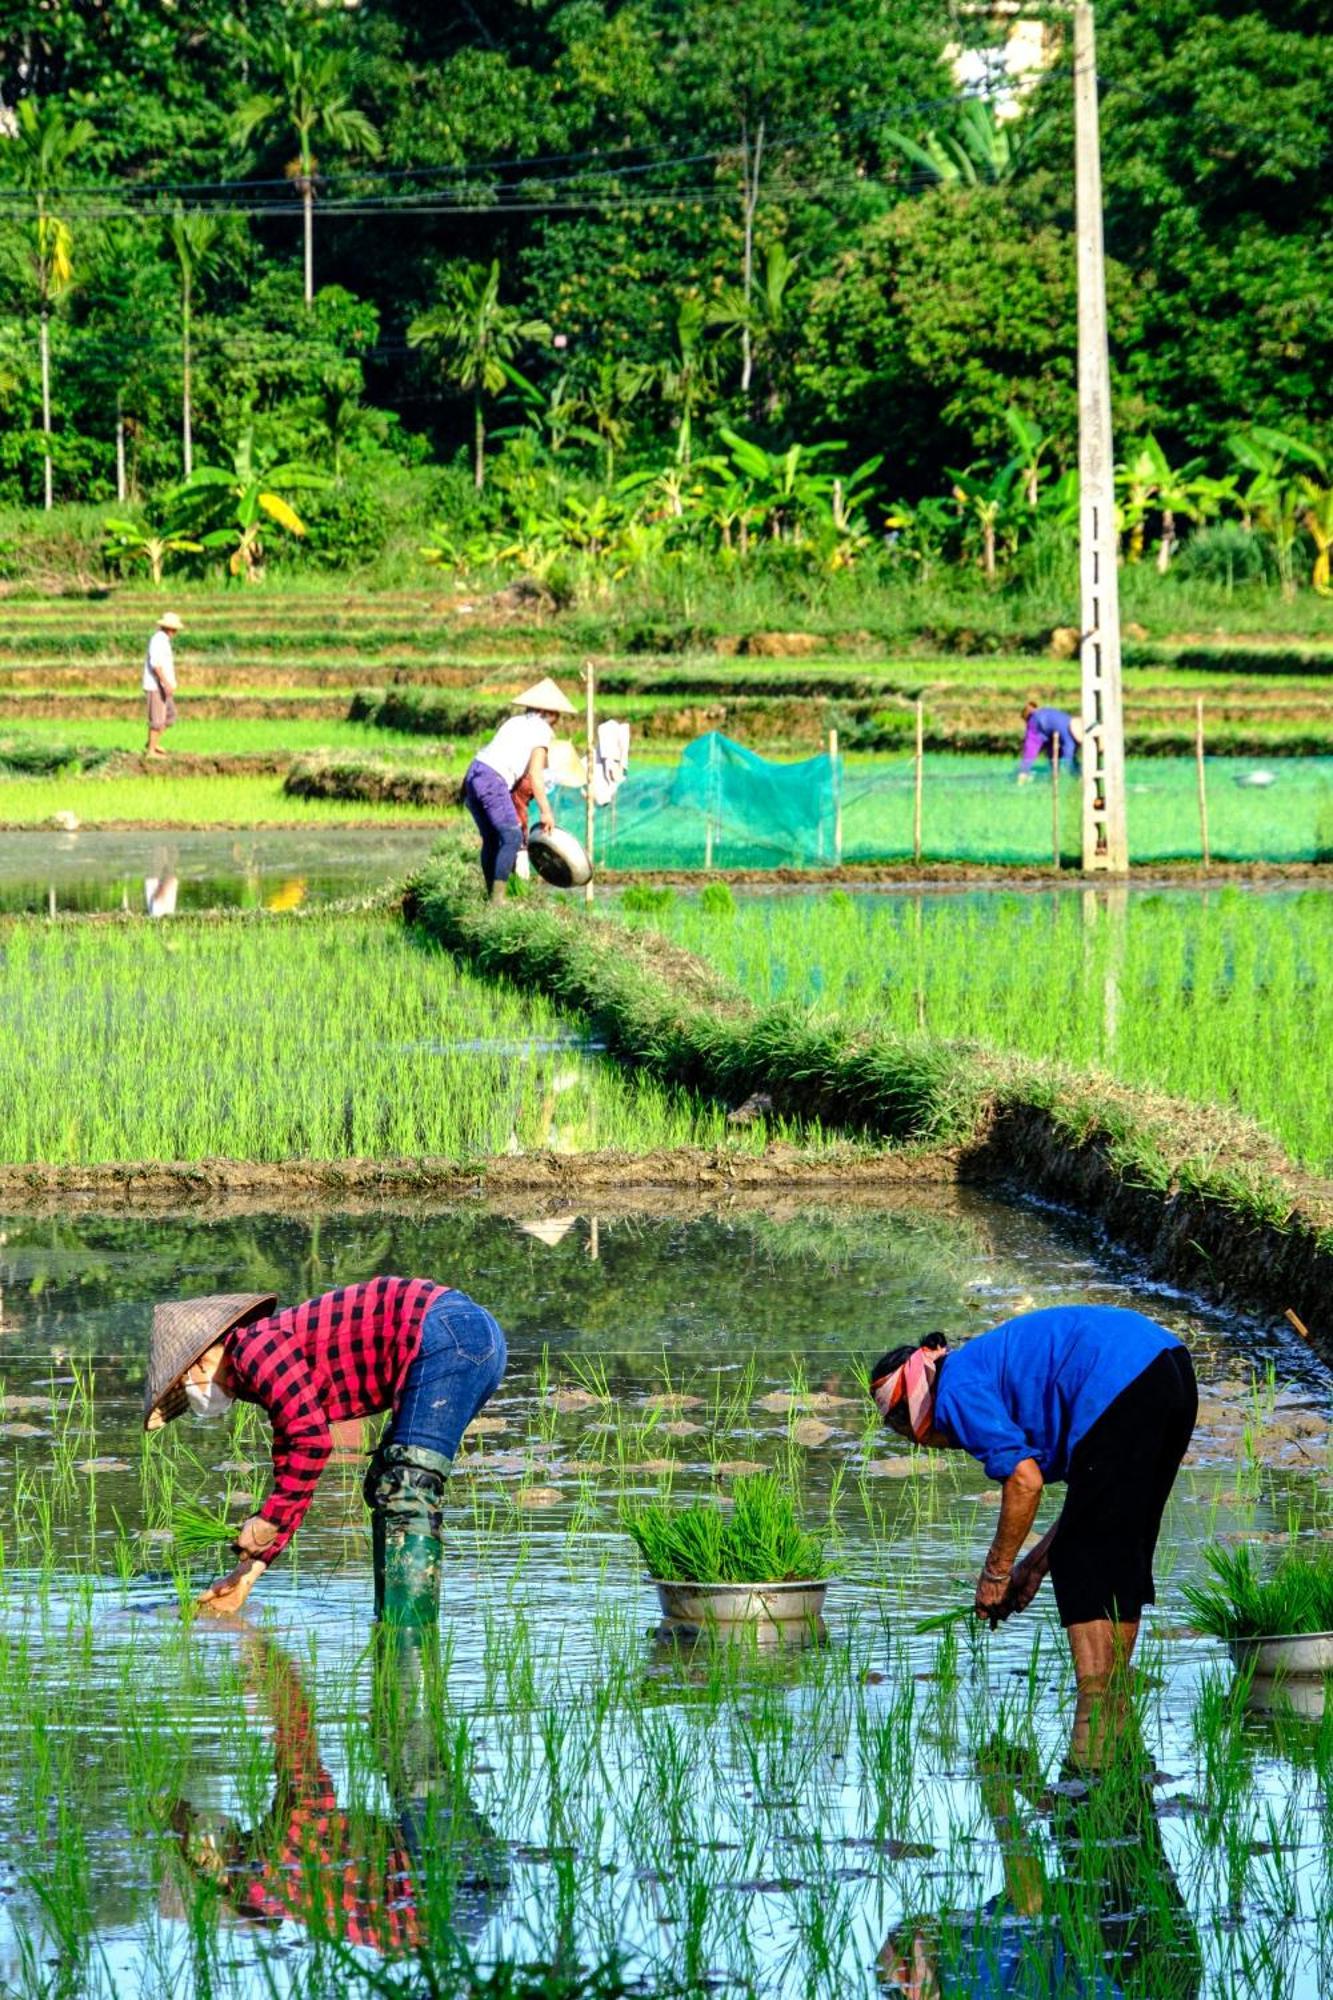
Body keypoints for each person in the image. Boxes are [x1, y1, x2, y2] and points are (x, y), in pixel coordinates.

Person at [142, 1276, 508, 1625]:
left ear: (202, 1359)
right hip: (471, 1335)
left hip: (445, 1335)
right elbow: (294, 1464)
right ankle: (392, 1631)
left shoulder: (254, 1349)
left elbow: (311, 1441)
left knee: (407, 1487)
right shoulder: (265, 1357)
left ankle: (407, 1639)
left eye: (187, 1380)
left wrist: (267, 1519)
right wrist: (245, 1575)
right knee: (388, 1483)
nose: (193, 1393)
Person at [868, 1305, 1197, 1690]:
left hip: (1119, 1374)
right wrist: (1034, 1566)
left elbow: (1025, 1481)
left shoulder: (954, 1391)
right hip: (1169, 1366)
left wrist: (996, 1572)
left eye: (908, 1434)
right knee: (1120, 1541)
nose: (933, 1446)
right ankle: (1115, 1689)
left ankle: (1095, 1694)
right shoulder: (976, 1368)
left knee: (1082, 1558)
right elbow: (1089, 1506)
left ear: (911, 1410)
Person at [164, 1628, 508, 1952]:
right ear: (212, 1863)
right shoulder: (277, 1864)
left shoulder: (281, 1888)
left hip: (457, 1909)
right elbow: (301, 1753)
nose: (202, 1815)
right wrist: (265, 1658)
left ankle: (401, 1641)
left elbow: (298, 1764)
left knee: (393, 1742)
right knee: (409, 1745)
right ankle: (407, 1631)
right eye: (195, 1825)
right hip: (449, 1889)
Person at [462, 677, 576, 900]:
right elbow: (535, 774)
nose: (557, 720)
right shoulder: (542, 730)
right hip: (492, 779)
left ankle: (490, 896)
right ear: (547, 712)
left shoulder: (514, 722)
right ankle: (497, 901)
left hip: (474, 771)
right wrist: (546, 811)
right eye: (556, 714)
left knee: (492, 839)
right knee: (512, 837)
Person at [144, 610, 183, 757]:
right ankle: (151, 751)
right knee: (157, 719)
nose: (176, 632)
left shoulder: (164, 640)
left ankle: (153, 743)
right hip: (155, 686)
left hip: (162, 685)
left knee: (170, 715)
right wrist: (165, 683)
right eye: (175, 629)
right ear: (169, 628)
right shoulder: (158, 640)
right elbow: (156, 665)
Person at [1019, 699, 1083, 782]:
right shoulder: (1070, 740)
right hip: (1040, 725)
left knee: (1053, 755)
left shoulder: (1067, 723)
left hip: (1047, 727)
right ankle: (1022, 777)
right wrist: (1079, 775)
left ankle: (1052, 778)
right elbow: (1068, 759)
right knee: (1031, 751)